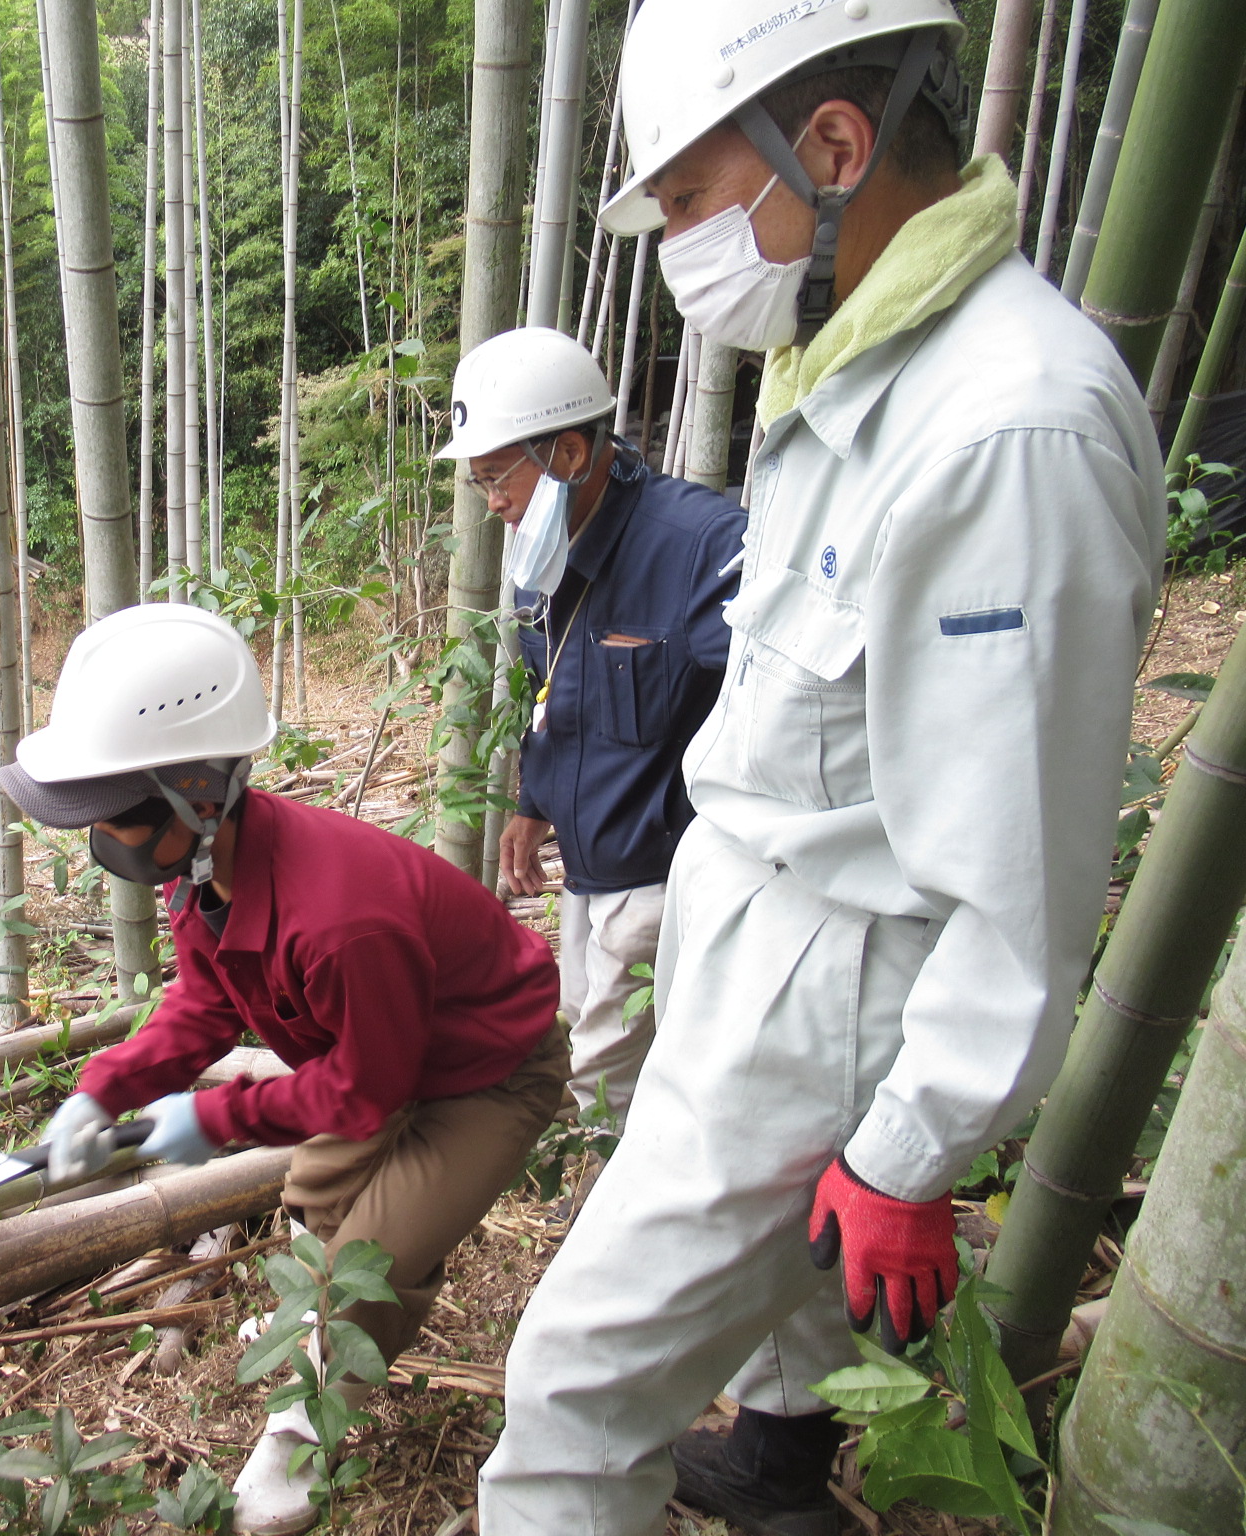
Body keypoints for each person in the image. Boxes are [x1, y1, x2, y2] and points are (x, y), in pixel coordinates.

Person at [479, 1, 1166, 1533]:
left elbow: (1020, 869)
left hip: (838, 981)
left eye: (692, 201)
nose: (679, 253)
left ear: (835, 147)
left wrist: (917, 1146)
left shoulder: (1010, 431)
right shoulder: (852, 357)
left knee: (573, 1390)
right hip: (753, 915)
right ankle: (784, 1466)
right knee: (786, 1268)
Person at [0, 603, 567, 1536]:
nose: (105, 843)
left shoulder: (343, 921)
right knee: (314, 1194)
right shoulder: (205, 874)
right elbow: (206, 1003)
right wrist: (103, 1090)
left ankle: (307, 1415)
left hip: (485, 1070)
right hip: (380, 1049)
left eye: (120, 820)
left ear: (199, 792)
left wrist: (212, 1121)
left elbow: (365, 1092)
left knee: (362, 1265)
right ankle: (324, 1307)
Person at [439, 327, 744, 1126]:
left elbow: (772, 699)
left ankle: (602, 1206)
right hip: (587, 862)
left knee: (606, 1080)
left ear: (570, 453)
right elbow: (556, 686)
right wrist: (534, 799)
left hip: (658, 872)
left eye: (497, 479)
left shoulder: (697, 546)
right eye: (478, 485)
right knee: (584, 1032)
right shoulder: (549, 546)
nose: (493, 504)